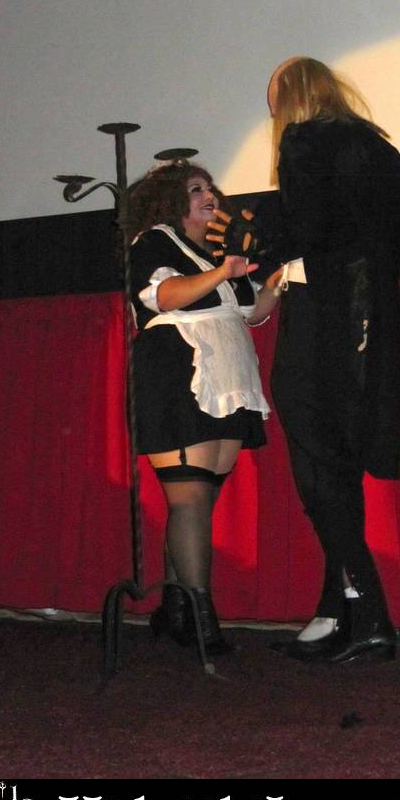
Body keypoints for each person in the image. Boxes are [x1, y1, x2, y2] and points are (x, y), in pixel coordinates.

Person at [261, 57, 400, 663]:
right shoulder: (381, 150)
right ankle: (338, 609)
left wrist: (260, 239)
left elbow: (305, 230)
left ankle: (371, 612)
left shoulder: (305, 141)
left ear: (292, 99)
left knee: (318, 461)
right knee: (336, 461)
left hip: (321, 315)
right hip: (369, 317)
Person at [126, 159, 282, 657]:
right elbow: (163, 295)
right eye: (196, 189)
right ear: (171, 201)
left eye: (210, 188)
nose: (208, 195)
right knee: (189, 501)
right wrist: (221, 272)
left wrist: (279, 276)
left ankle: (174, 610)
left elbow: (252, 311)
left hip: (227, 375)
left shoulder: (217, 252)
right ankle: (199, 616)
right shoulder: (154, 241)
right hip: (178, 371)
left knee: (198, 503)